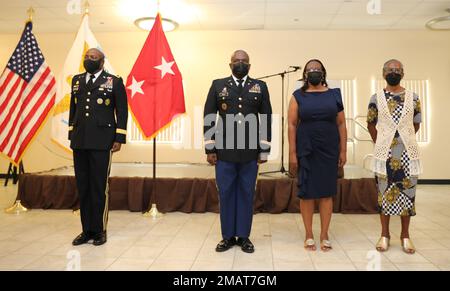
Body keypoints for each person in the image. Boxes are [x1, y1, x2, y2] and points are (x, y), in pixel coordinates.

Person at [203, 50, 272, 253]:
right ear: (230, 64)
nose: (240, 64)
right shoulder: (218, 85)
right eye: (236, 61)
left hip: (250, 152)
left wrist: (264, 150)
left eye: (244, 61)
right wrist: (210, 147)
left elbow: (266, 118)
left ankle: (243, 237)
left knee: (246, 193)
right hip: (224, 151)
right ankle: (227, 237)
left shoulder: (260, 87)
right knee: (225, 193)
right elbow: (209, 115)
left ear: (249, 65)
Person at [69, 48, 128, 246]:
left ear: (102, 62)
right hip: (80, 141)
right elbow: (73, 109)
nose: (89, 60)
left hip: (103, 141)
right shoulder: (77, 80)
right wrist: (71, 133)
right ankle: (86, 230)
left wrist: (119, 137)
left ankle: (100, 229)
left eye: (93, 58)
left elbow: (122, 111)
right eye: (86, 57)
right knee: (83, 186)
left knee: (99, 187)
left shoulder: (114, 81)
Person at [287, 59, 347, 251]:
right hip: (306, 149)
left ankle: (324, 234)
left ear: (323, 73)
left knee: (327, 192)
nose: (313, 71)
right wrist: (292, 153)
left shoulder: (334, 95)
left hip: (329, 149)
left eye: (317, 69)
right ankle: (309, 234)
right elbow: (291, 125)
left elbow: (341, 124)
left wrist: (343, 150)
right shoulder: (298, 96)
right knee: (307, 193)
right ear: (304, 74)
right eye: (310, 69)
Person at [367, 59, 422, 254]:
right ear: (383, 73)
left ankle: (405, 236)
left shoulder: (413, 97)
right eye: (390, 69)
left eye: (397, 70)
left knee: (408, 194)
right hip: (384, 155)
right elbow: (371, 124)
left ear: (403, 73)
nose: (394, 72)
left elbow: (416, 123)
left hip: (408, 154)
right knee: (384, 194)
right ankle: (384, 235)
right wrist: (382, 141)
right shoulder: (376, 97)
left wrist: (402, 139)